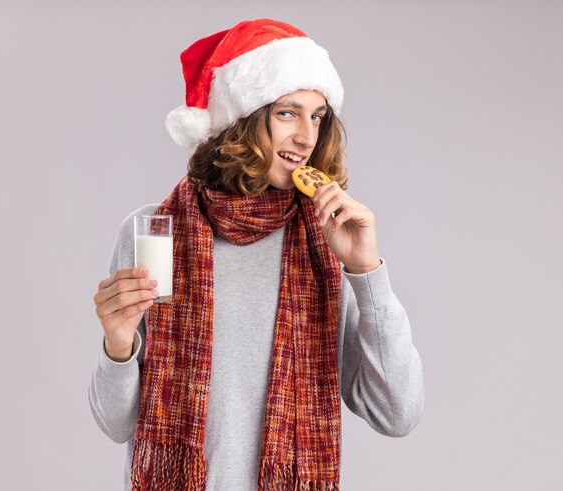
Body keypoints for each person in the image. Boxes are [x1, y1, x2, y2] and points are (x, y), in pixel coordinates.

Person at [89, 18, 424, 491]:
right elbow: (116, 424)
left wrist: (366, 270)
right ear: (242, 121)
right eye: (288, 113)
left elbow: (398, 412)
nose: (308, 137)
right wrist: (118, 346)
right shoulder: (156, 234)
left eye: (318, 115)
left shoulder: (325, 243)